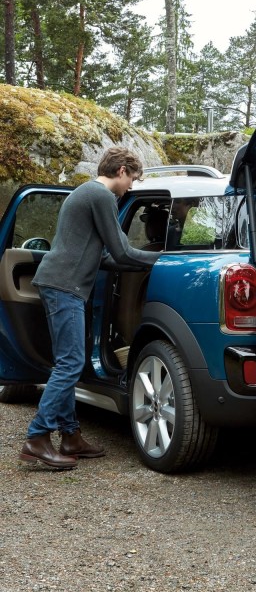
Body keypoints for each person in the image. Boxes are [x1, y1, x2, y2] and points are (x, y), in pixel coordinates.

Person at [19, 147, 161, 470]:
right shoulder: (101, 197)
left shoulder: (84, 193)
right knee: (71, 363)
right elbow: (122, 252)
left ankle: (70, 436)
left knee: (66, 362)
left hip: (58, 284)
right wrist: (163, 260)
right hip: (65, 287)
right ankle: (37, 437)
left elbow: (105, 258)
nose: (130, 189)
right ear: (122, 170)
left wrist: (138, 263)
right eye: (132, 181)